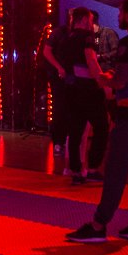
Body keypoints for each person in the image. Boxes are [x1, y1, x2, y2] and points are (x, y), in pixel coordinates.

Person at [67, 0, 128, 244]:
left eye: (120, 12)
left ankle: (99, 225)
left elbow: (120, 81)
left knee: (115, 171)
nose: (118, 17)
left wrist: (103, 77)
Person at [56, 7, 111, 184]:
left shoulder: (67, 38)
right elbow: (91, 62)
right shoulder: (87, 38)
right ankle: (93, 168)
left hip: (72, 89)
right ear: (84, 20)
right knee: (102, 127)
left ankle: (75, 171)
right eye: (90, 20)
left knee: (75, 131)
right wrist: (103, 83)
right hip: (89, 90)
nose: (92, 23)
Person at [40, 10, 70, 156]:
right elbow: (47, 52)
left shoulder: (80, 35)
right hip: (59, 76)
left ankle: (67, 142)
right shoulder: (59, 32)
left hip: (73, 76)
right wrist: (59, 67)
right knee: (60, 108)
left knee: (69, 109)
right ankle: (58, 142)